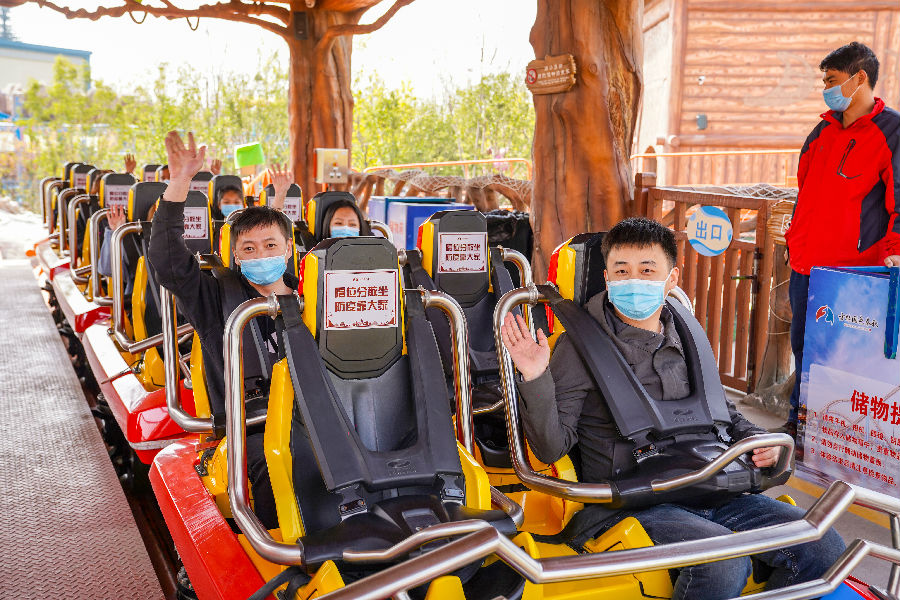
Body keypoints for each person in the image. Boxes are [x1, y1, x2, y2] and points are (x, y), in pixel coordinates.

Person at [500, 218, 844, 600]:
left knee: (823, 544)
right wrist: (535, 376)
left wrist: (761, 442)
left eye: (647, 270)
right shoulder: (577, 348)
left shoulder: (688, 334)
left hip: (712, 485)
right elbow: (550, 447)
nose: (634, 280)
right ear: (607, 278)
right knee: (722, 562)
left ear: (671, 278)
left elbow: (723, 414)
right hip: (634, 499)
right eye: (622, 271)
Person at [149, 131, 294, 529]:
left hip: (316, 415)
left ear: (288, 249)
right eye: (249, 249)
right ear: (235, 256)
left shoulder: (312, 296)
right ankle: (280, 546)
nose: (261, 254)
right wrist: (180, 182)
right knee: (281, 463)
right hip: (253, 427)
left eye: (270, 246)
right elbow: (167, 262)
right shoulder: (216, 298)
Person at [782, 41, 900, 436]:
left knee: (844, 355)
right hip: (807, 265)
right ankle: (799, 425)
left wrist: (895, 251)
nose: (826, 89)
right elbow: (805, 193)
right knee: (804, 349)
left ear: (860, 77)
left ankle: (838, 434)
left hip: (854, 272)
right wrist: (794, 242)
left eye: (832, 80)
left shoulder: (892, 132)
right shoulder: (822, 130)